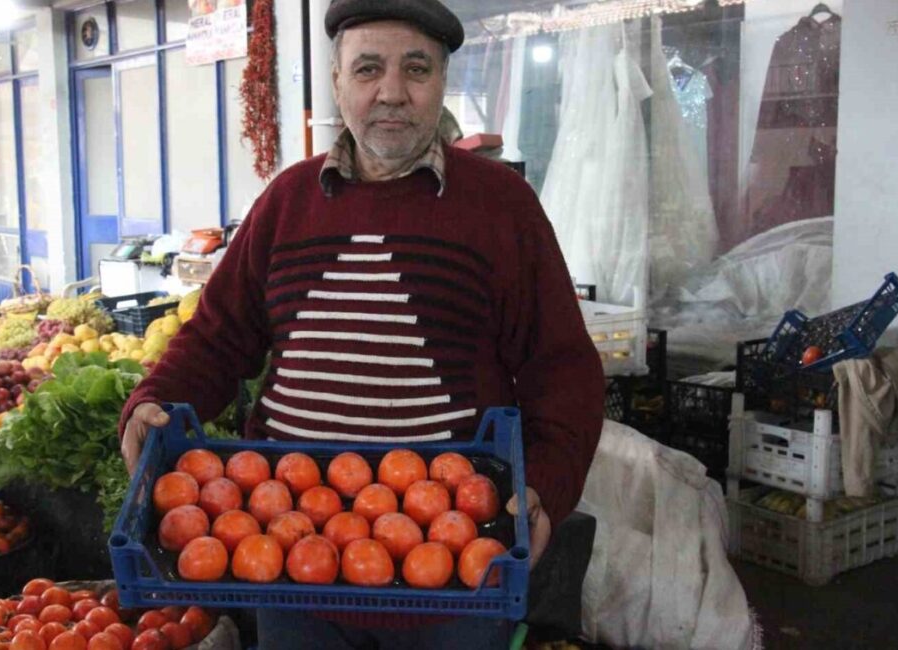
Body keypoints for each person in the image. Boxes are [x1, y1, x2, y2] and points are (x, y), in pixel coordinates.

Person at [119, 0, 605, 647]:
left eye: (417, 69)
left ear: (442, 81)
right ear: (339, 81)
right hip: (288, 559)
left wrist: (544, 484)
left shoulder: (501, 207)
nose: (392, 92)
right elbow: (217, 336)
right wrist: (153, 403)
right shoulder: (286, 202)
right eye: (369, 69)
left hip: (456, 573)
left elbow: (561, 366)